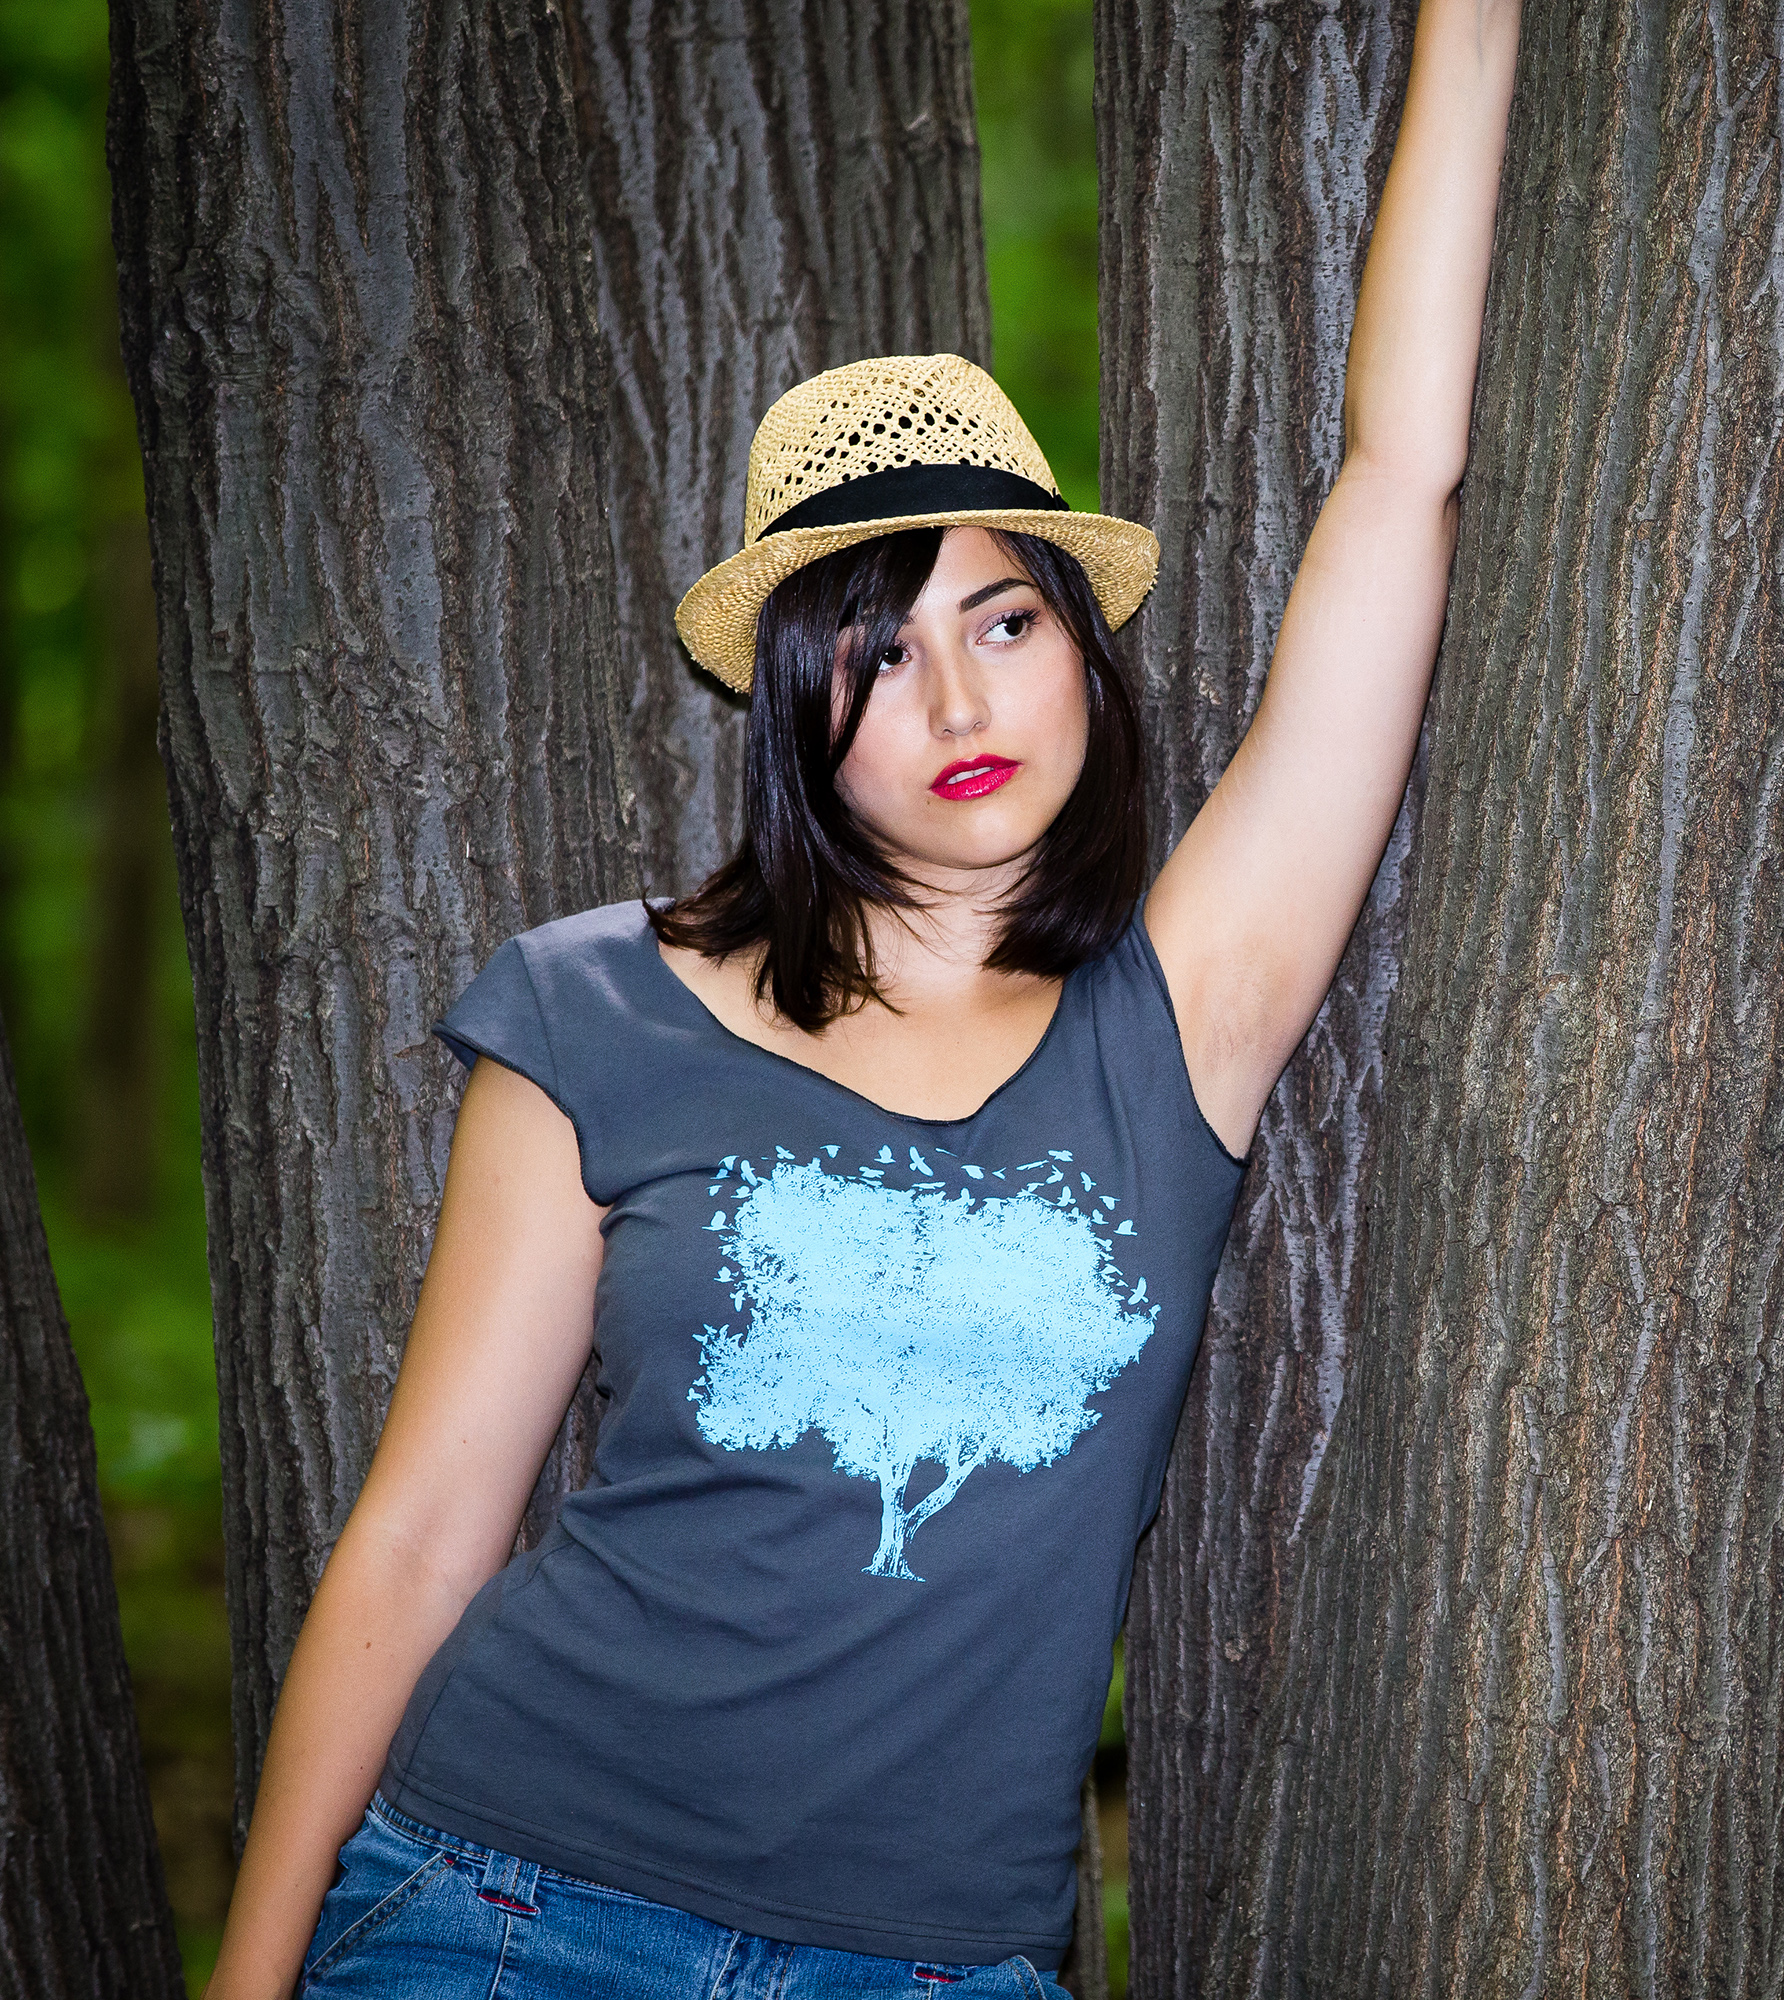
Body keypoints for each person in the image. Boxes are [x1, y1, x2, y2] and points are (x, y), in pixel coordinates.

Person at [203, 5, 1520, 1993]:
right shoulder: (593, 1014)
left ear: (1084, 651)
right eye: (879, 653)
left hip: (931, 1965)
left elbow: (1400, 477)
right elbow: (418, 1536)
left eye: (1002, 620)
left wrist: (1476, 22)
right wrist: (246, 1971)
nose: (963, 700)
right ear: (789, 708)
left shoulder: (1174, 1032)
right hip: (500, 1907)